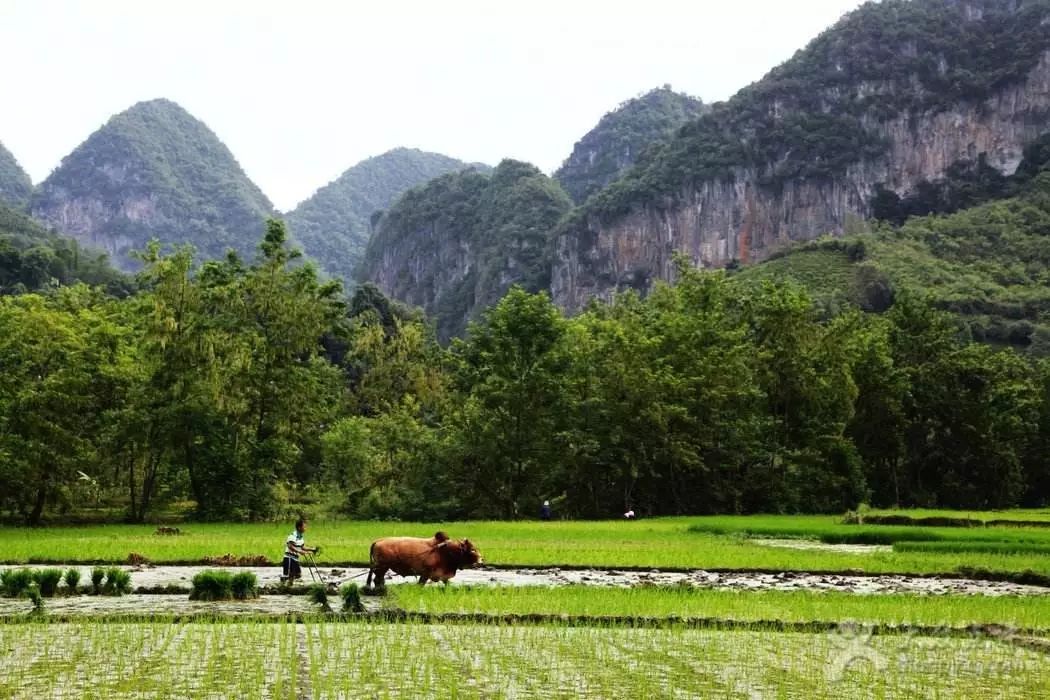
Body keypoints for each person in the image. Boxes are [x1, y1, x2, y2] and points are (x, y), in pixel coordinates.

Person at [281, 517, 318, 583]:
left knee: (298, 575)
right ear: (299, 527)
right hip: (289, 558)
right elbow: (290, 546)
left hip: (295, 559)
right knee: (289, 575)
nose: (305, 528)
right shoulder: (293, 535)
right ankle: (283, 585)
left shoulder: (300, 536)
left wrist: (312, 549)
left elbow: (302, 547)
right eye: (304, 527)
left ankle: (288, 586)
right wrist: (299, 551)